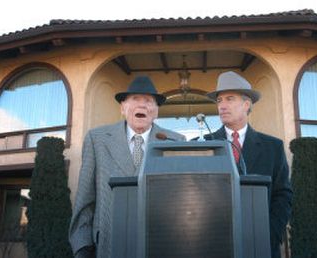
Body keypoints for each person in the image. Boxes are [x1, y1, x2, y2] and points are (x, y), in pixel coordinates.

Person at [69, 76, 186, 258]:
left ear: (156, 112)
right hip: (108, 244)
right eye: (135, 99)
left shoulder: (175, 141)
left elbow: (181, 199)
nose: (142, 105)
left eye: (148, 101)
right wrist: (82, 247)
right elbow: (85, 198)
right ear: (123, 108)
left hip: (159, 244)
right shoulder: (97, 139)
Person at [204, 71, 292, 258]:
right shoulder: (203, 144)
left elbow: (283, 195)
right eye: (219, 101)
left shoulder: (273, 147)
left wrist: (270, 234)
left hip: (261, 244)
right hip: (214, 244)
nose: (222, 106)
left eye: (229, 99)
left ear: (246, 104)